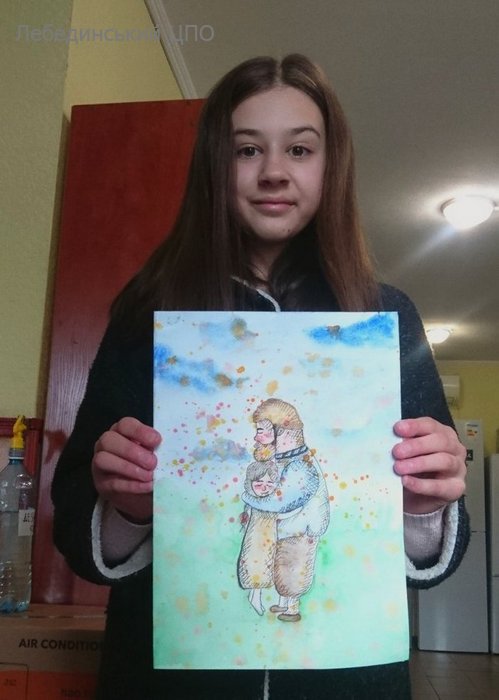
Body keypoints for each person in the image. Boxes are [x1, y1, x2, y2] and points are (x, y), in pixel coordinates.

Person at [51, 54, 469, 699]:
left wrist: (426, 507)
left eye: (299, 149)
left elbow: (432, 551)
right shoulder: (149, 314)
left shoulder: (384, 318)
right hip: (172, 678)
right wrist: (127, 509)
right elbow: (76, 520)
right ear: (214, 167)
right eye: (247, 149)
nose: (274, 171)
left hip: (347, 675)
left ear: (331, 166)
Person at [243, 398, 330, 623]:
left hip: (302, 527)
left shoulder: (302, 464)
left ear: (280, 430)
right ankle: (283, 602)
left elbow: (283, 501)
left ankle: (292, 607)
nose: (257, 437)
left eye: (262, 430)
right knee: (281, 562)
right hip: (287, 525)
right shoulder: (284, 460)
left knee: (294, 565)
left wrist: (250, 499)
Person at [237, 459, 280, 616]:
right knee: (256, 565)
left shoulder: (274, 502)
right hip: (256, 539)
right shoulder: (252, 502)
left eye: (269, 484)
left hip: (270, 540)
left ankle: (256, 596)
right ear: (250, 483)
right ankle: (255, 596)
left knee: (266, 565)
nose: (264, 488)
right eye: (259, 483)